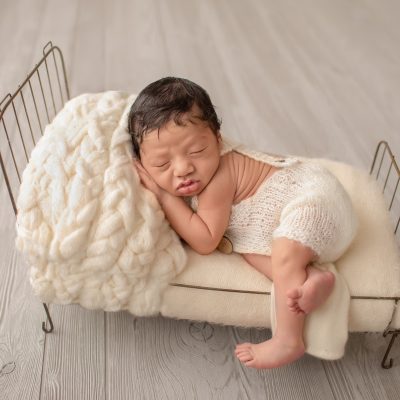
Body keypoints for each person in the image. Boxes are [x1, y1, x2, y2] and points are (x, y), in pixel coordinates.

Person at [128, 77, 357, 369]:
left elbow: (206, 240)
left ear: (218, 140)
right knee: (251, 251)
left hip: (316, 199)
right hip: (294, 220)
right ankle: (312, 278)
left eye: (197, 151)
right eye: (162, 164)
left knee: (284, 250)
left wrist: (163, 194)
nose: (184, 169)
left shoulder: (218, 178)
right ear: (142, 163)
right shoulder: (193, 169)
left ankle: (289, 340)